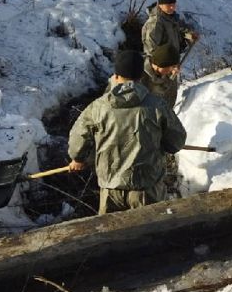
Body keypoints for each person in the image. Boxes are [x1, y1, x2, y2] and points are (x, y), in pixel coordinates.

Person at [68, 50, 186, 214]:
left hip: (110, 189)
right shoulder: (157, 105)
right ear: (140, 77)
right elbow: (177, 141)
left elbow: (77, 139)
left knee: (110, 235)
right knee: (150, 235)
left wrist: (78, 159)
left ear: (115, 76)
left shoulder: (97, 107)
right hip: (147, 190)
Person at [141, 0, 199, 106]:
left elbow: (177, 32)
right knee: (160, 101)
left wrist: (189, 35)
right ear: (160, 4)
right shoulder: (155, 23)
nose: (172, 7)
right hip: (160, 70)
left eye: (174, 4)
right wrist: (167, 66)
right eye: (169, 5)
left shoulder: (170, 17)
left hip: (171, 65)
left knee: (170, 98)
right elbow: (152, 51)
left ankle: (168, 119)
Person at [142, 43, 181, 110]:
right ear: (161, 65)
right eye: (172, 66)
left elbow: (169, 101)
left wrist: (171, 78)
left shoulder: (169, 74)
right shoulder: (138, 74)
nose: (175, 70)